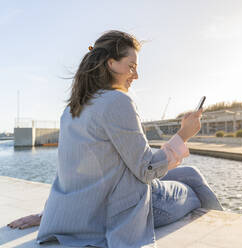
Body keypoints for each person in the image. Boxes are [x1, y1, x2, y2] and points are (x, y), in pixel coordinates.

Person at [7, 30, 223, 248]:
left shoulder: (72, 109)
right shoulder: (117, 101)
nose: (136, 76)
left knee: (191, 173)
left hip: (83, 214)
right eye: (131, 66)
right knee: (194, 189)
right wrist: (184, 134)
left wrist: (48, 214)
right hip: (119, 213)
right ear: (111, 63)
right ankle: (223, 233)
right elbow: (147, 170)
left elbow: (73, 172)